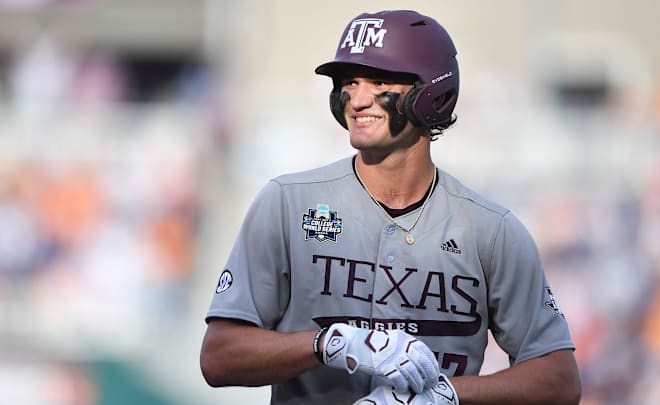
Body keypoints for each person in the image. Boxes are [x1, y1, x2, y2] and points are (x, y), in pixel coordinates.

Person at [200, 9, 582, 404]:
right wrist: (329, 342)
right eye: (349, 82)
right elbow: (218, 356)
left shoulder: (491, 230)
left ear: (431, 92)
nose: (357, 99)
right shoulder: (288, 202)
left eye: (379, 81)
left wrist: (445, 397)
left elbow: (559, 380)